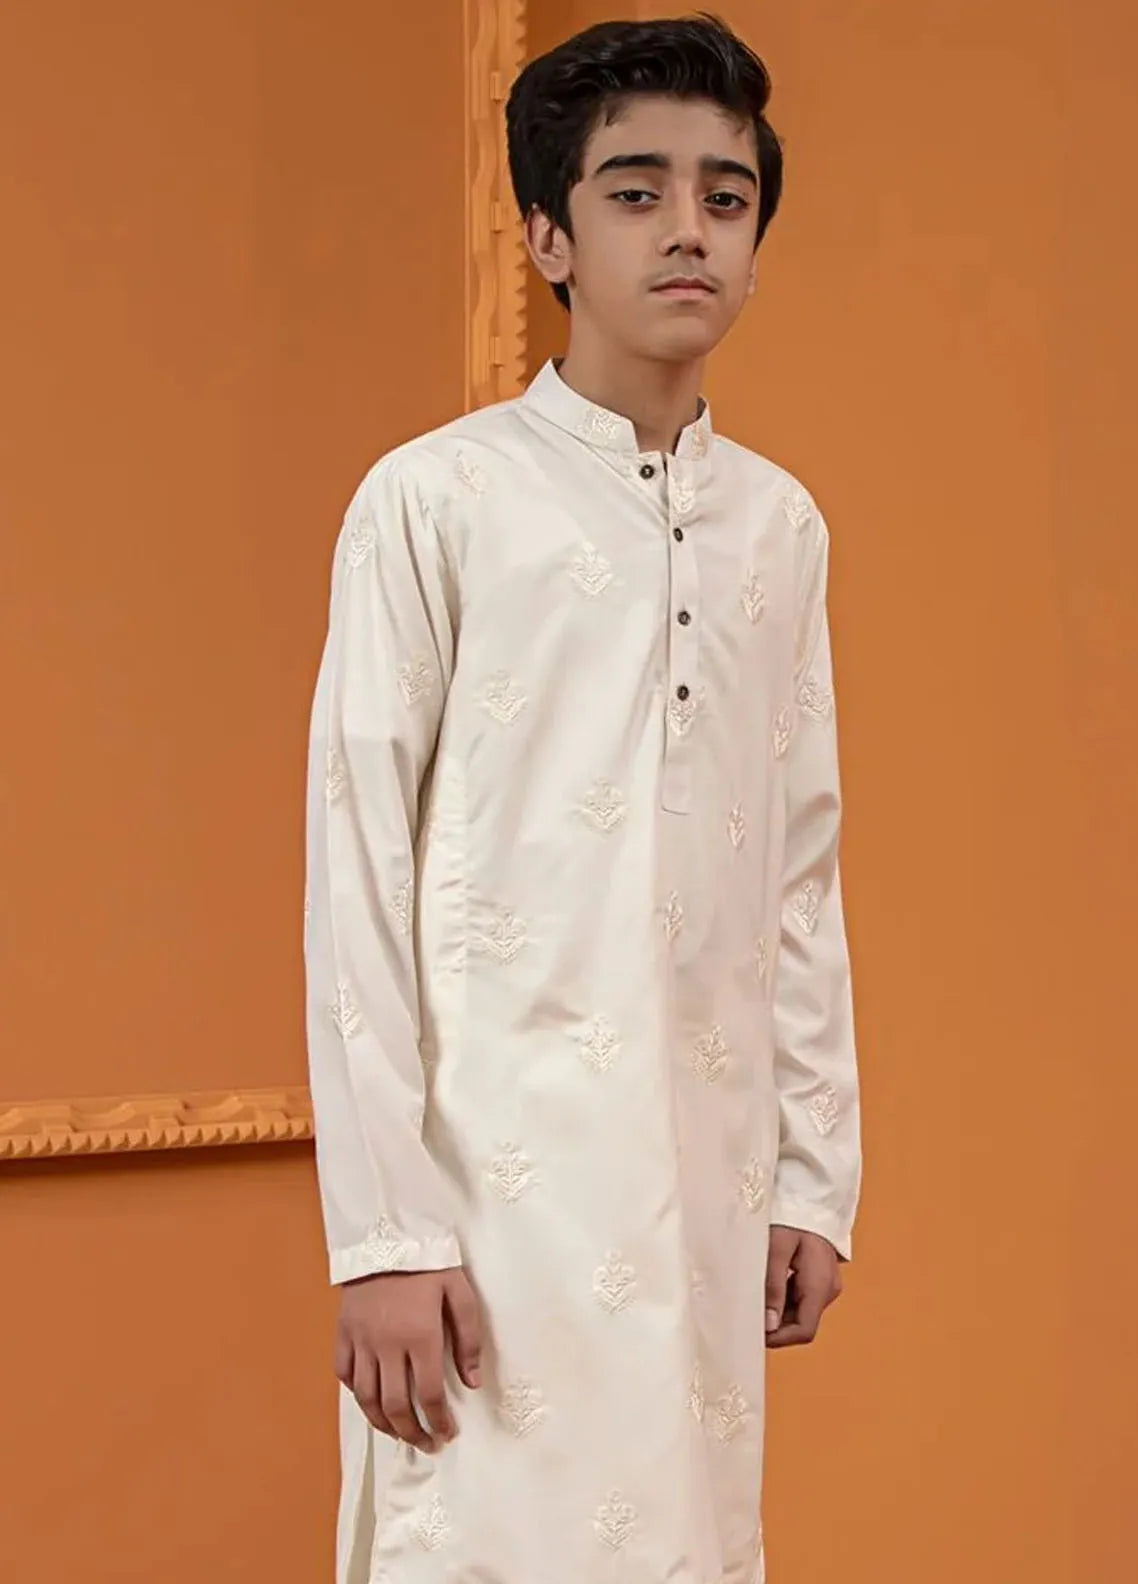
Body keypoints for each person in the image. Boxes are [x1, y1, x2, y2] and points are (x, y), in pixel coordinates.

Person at [303, 12, 862, 1583]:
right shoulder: (436, 501)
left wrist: (812, 1177)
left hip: (700, 1186)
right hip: (485, 1209)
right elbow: (357, 866)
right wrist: (384, 1235)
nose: (687, 228)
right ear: (549, 236)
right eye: (634, 192)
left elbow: (798, 865)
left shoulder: (777, 527)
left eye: (724, 197)